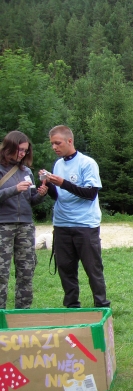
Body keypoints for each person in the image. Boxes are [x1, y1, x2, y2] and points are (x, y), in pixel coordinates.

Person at [43, 125, 109, 309]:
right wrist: (48, 186)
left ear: (69, 141)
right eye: (52, 144)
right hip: (62, 224)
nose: (54, 147)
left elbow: (90, 193)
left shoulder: (87, 163)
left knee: (93, 268)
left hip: (85, 224)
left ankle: (102, 306)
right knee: (65, 269)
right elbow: (59, 196)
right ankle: (72, 307)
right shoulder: (58, 164)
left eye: (58, 143)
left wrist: (63, 183)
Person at [0, 131, 48, 309]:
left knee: (27, 271)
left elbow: (30, 200)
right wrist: (14, 189)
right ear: (9, 147)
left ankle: (23, 313)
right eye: (20, 149)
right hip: (3, 225)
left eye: (25, 151)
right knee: (1, 273)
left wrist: (40, 195)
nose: (22, 154)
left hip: (25, 226)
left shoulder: (26, 171)